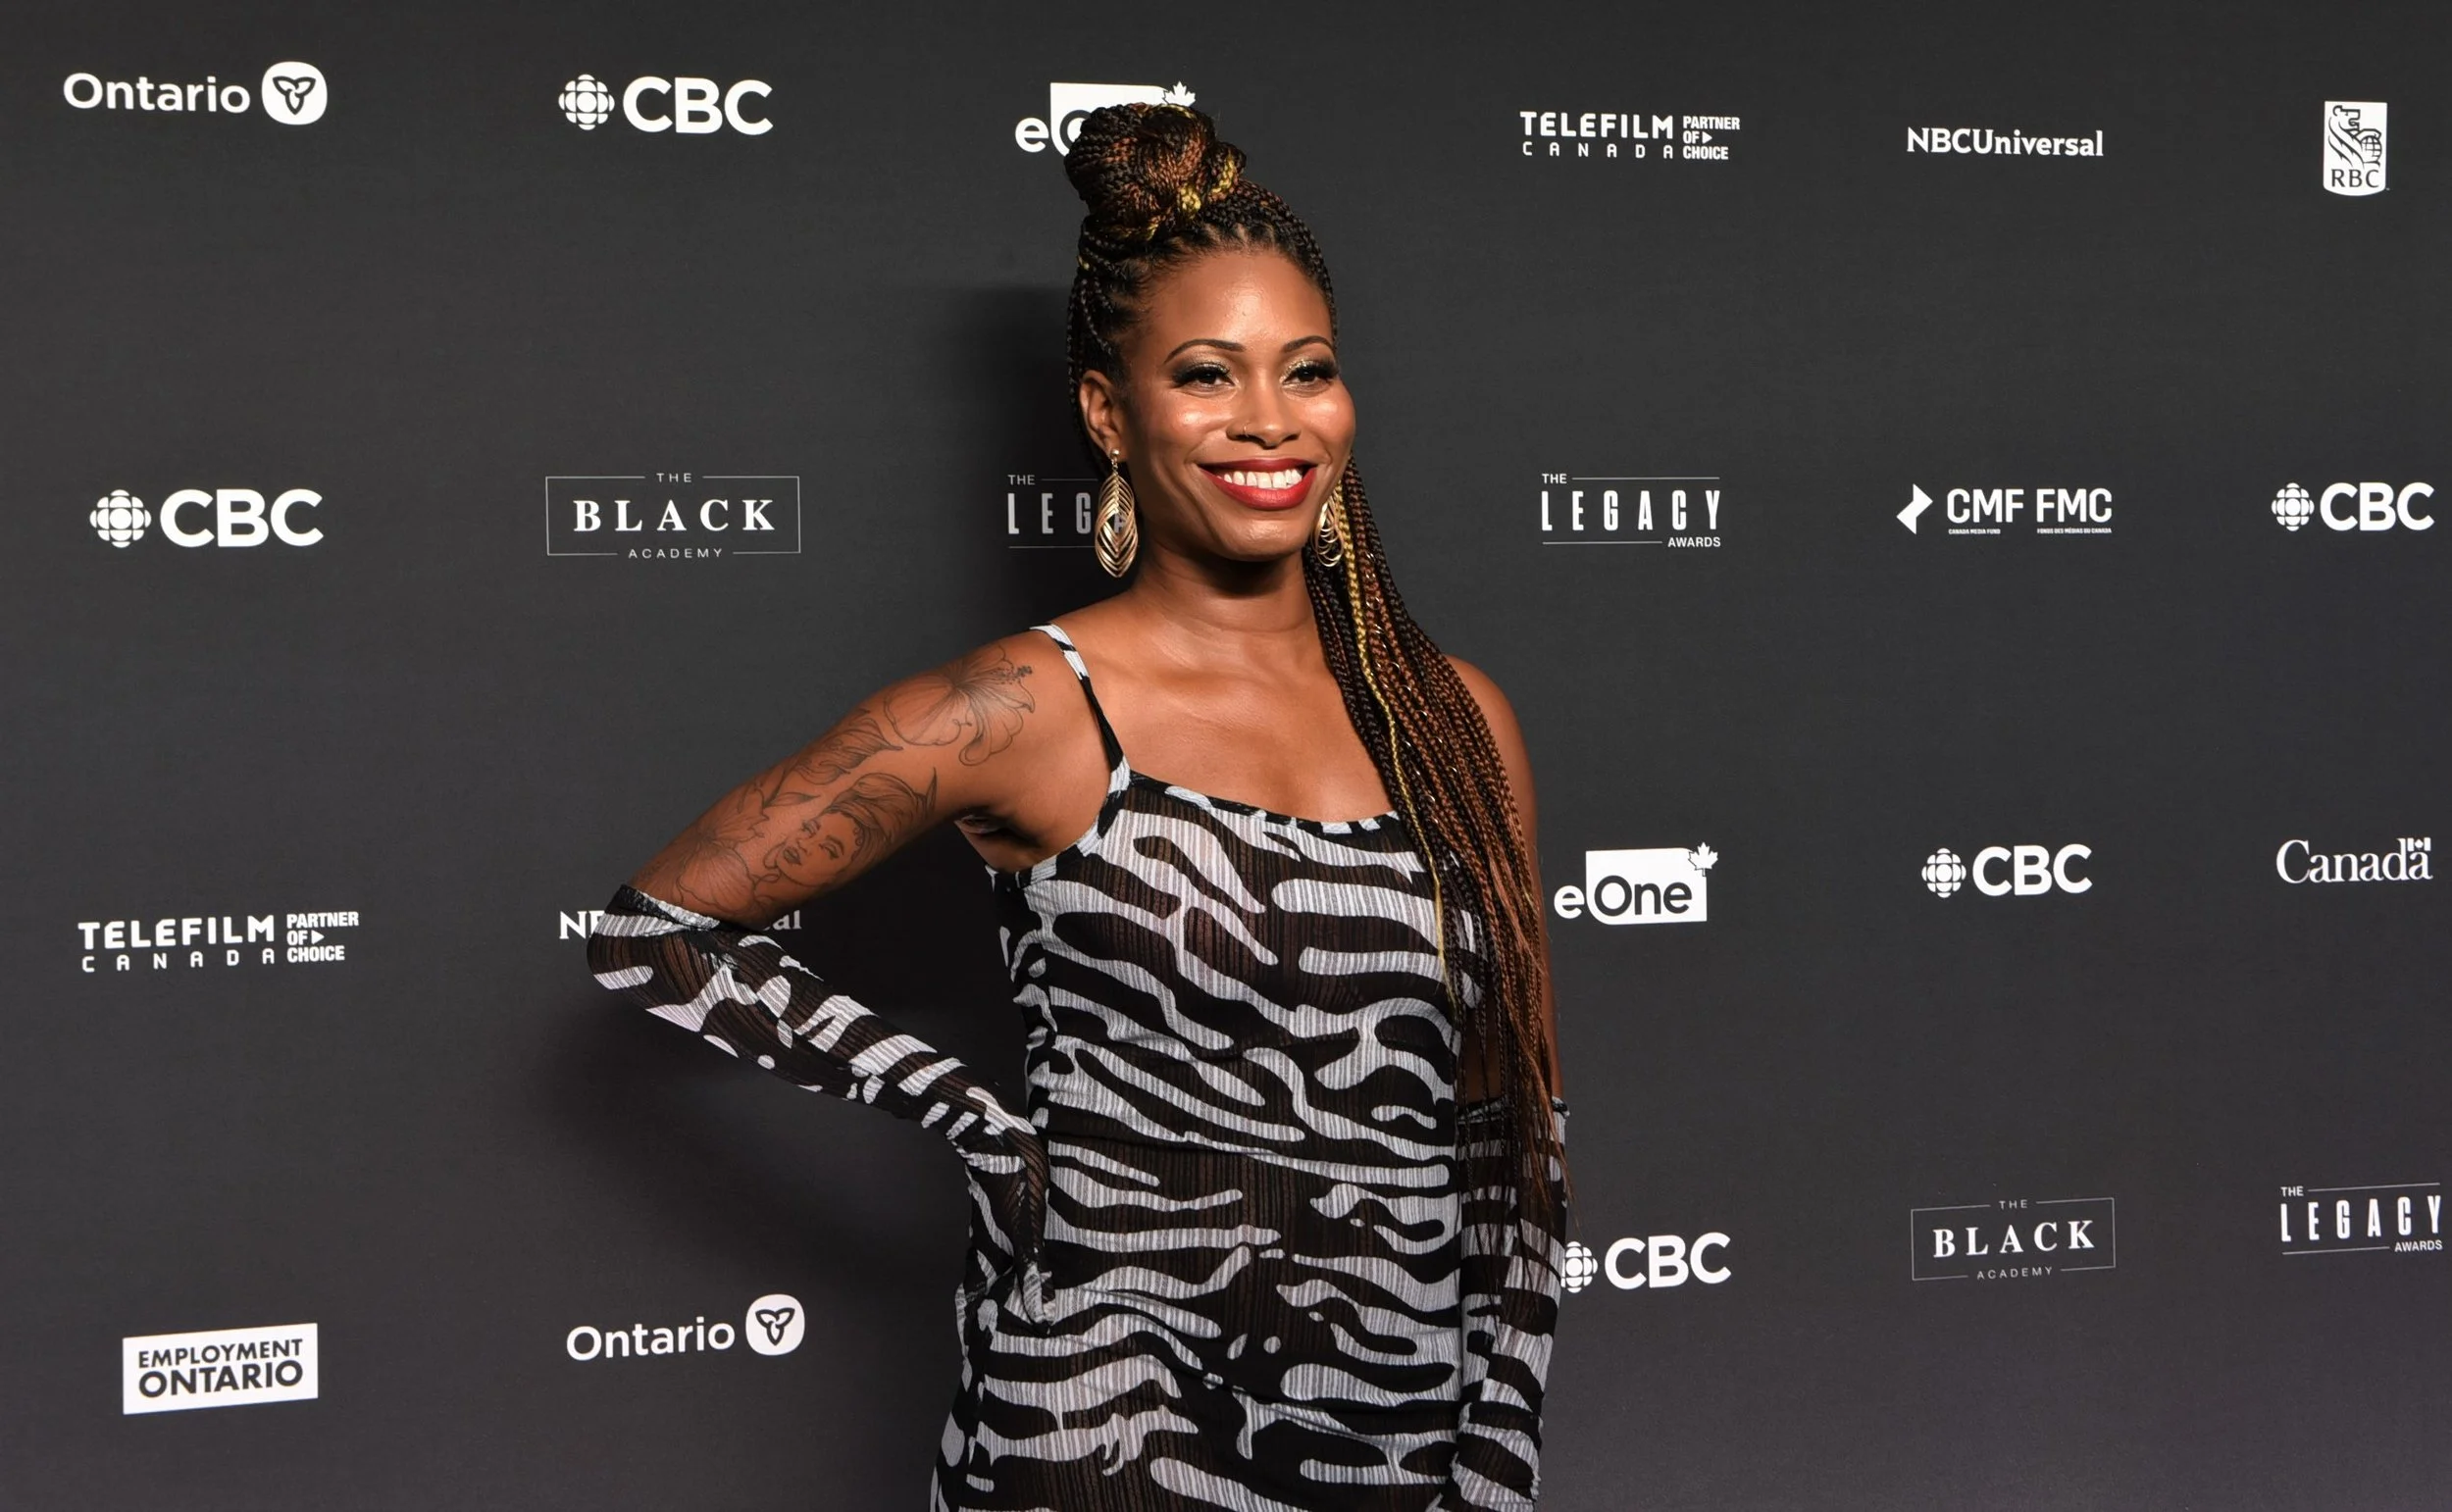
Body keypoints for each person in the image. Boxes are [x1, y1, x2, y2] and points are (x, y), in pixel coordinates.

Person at [587, 102, 1569, 1511]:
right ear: (1110, 412)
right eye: (1206, 374)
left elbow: (1513, 1131)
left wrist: (1497, 1452)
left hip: (1392, 1433)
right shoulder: (1028, 707)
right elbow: (656, 932)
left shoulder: (1453, 722)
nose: (1270, 420)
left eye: (1307, 370)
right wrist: (983, 1131)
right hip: (1095, 1431)